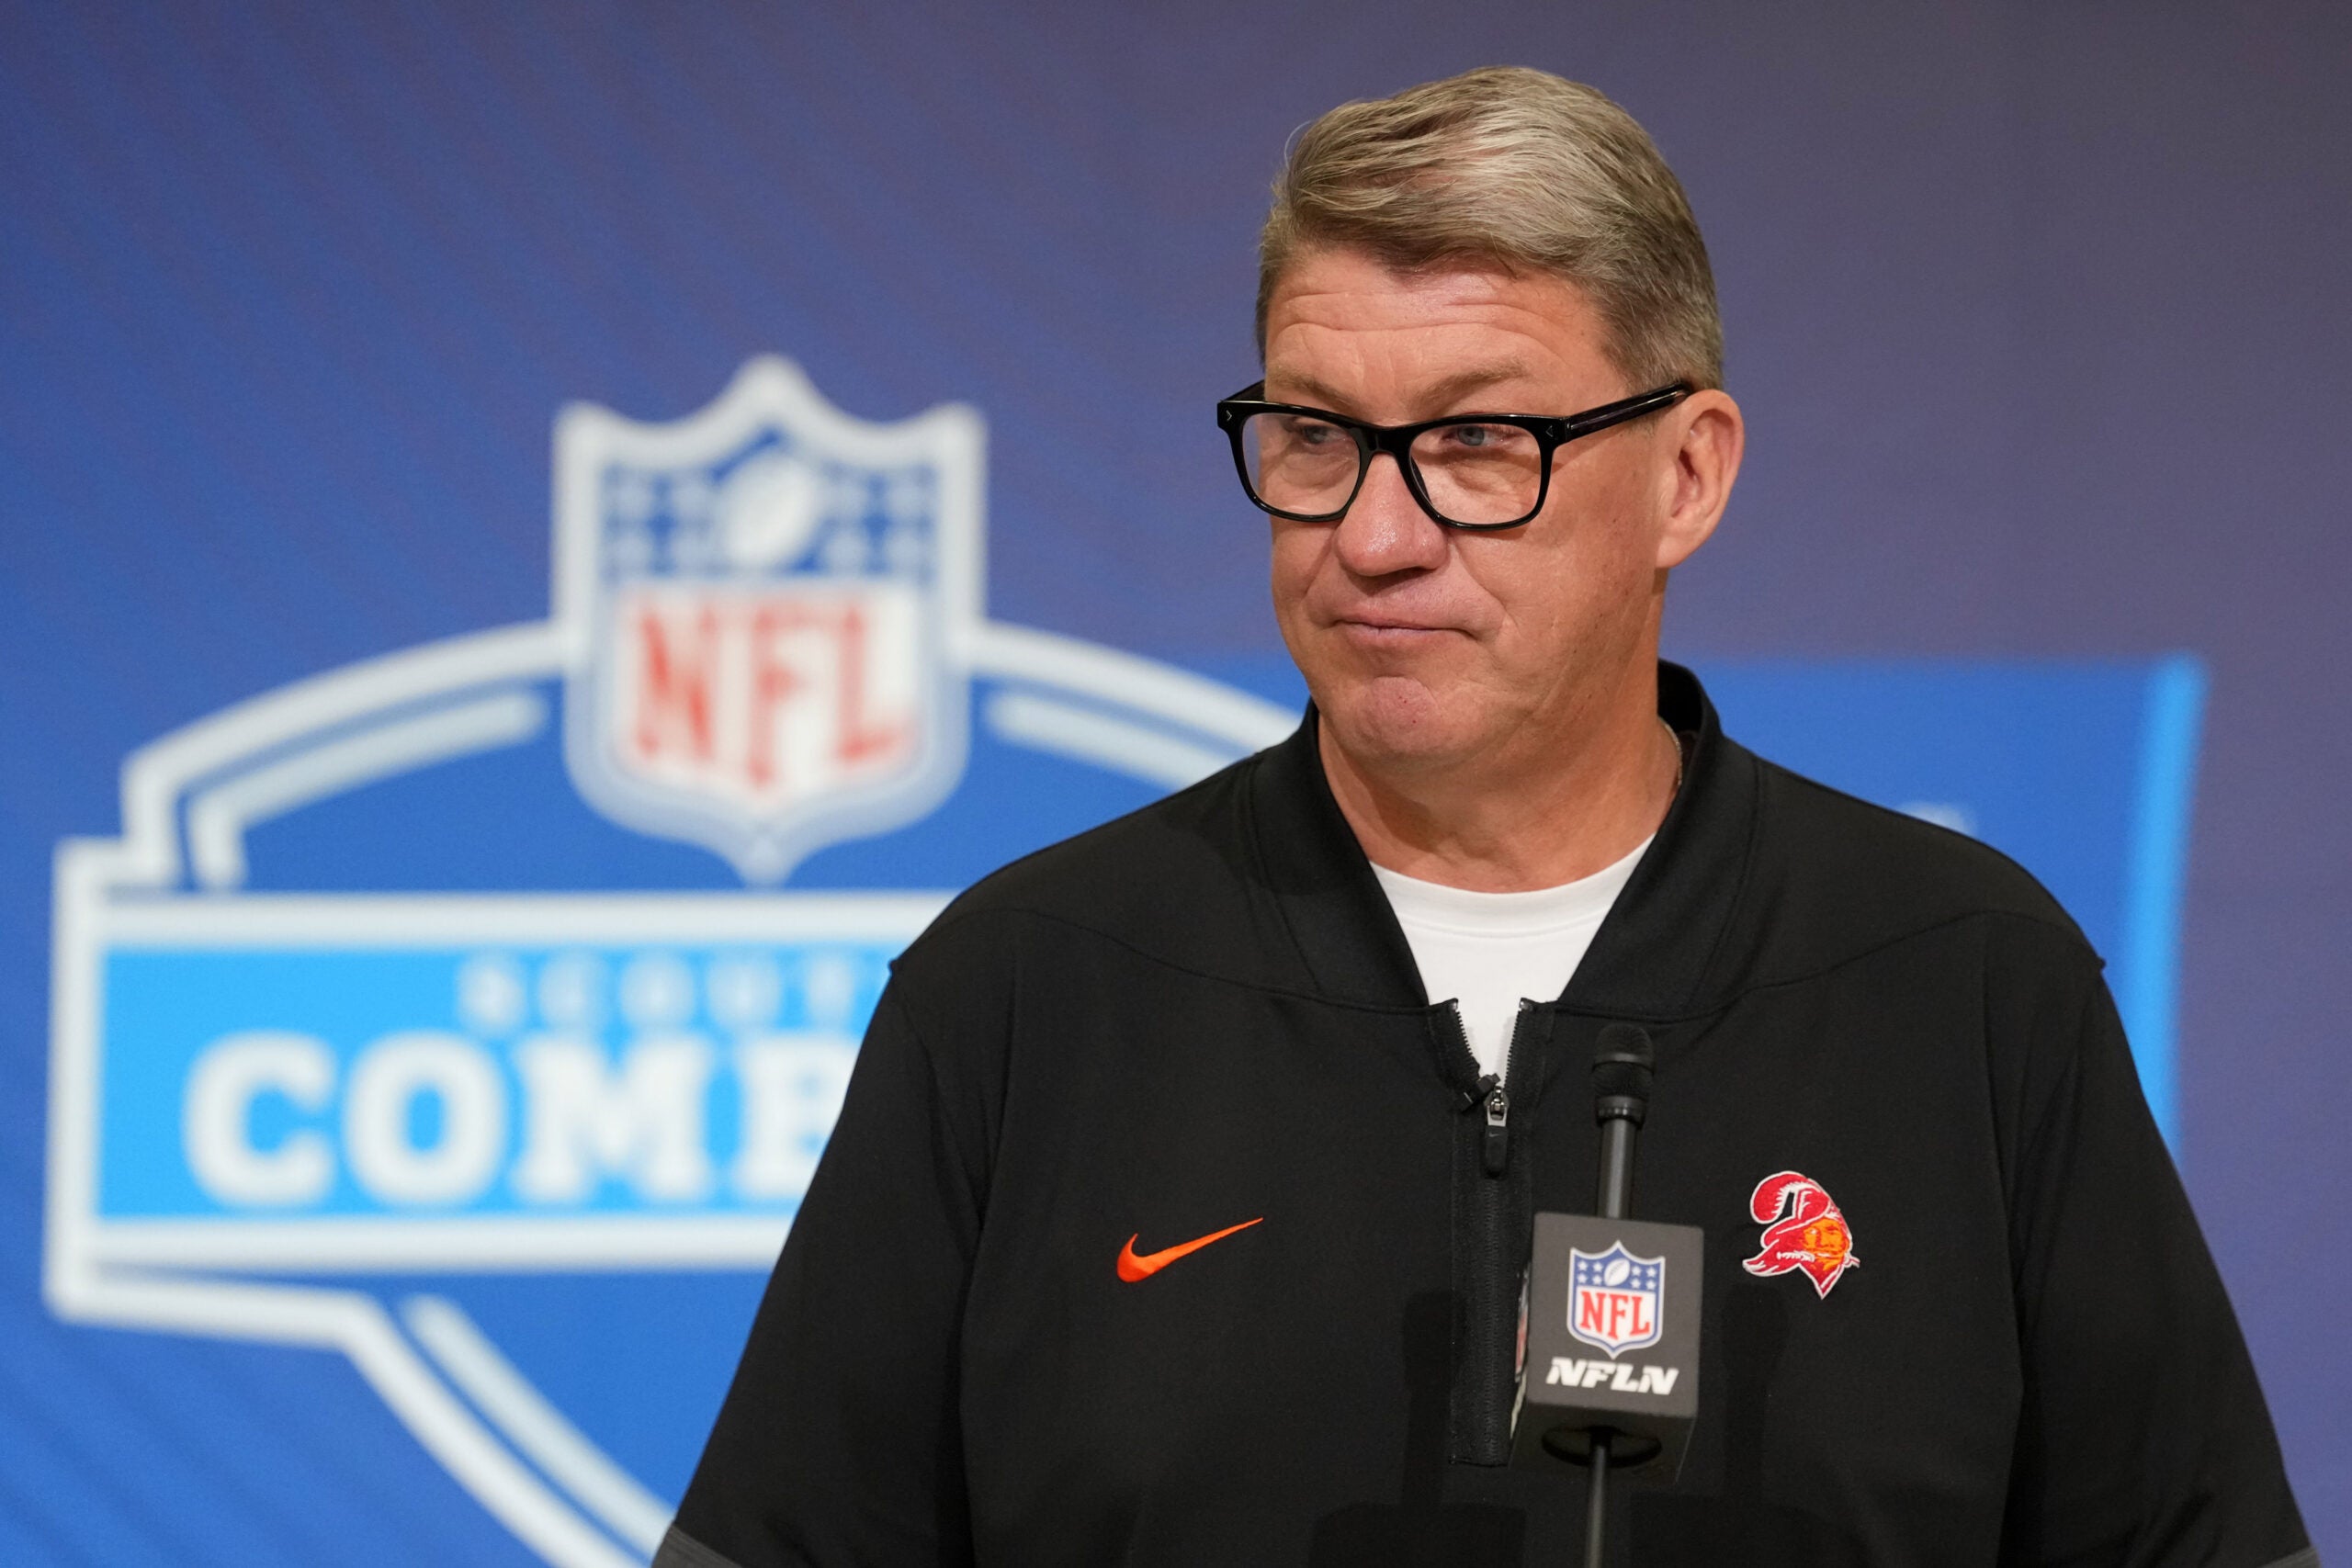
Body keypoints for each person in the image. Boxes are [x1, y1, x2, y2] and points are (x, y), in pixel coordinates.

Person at [657, 67, 2312, 1568]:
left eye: (1475, 442)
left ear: (1687, 477)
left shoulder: (1964, 980)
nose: (1375, 535)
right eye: (1314, 438)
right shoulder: (1026, 987)